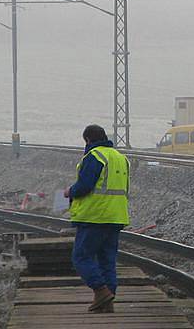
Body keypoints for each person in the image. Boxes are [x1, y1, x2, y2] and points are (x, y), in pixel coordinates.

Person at [63, 124, 130, 314]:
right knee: (107, 260)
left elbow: (85, 185)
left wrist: (70, 191)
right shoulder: (121, 158)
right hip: (116, 216)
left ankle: (100, 290)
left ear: (88, 140)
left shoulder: (95, 156)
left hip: (95, 217)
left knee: (81, 257)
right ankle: (107, 302)